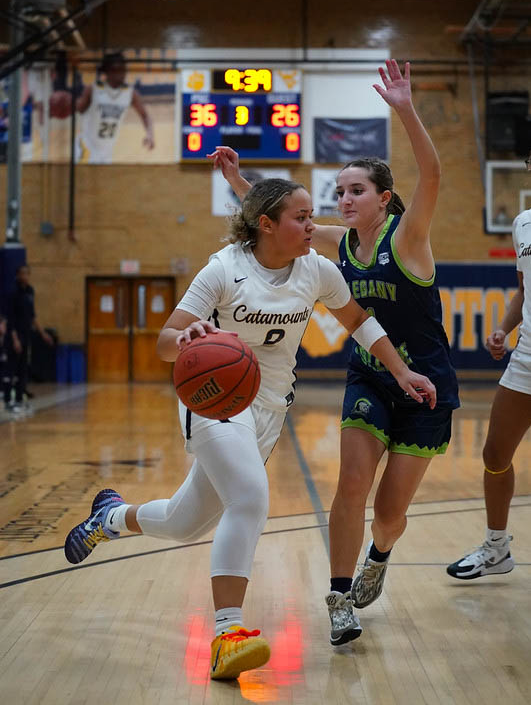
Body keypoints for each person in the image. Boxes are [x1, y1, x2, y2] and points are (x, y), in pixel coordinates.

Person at [64, 170, 436, 680]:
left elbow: (360, 323)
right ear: (266, 224)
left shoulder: (317, 270)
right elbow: (164, 344)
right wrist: (188, 337)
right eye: (301, 218)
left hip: (268, 408)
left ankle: (109, 518)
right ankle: (226, 635)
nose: (312, 225)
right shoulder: (222, 270)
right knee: (251, 498)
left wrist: (401, 370)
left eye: (311, 216)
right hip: (215, 399)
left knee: (184, 520)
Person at [219, 59, 459, 647]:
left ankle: (380, 554)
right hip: (372, 377)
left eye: (356, 191)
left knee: (390, 512)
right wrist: (236, 180)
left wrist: (404, 107)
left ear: (384, 199)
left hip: (424, 385)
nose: (344, 199)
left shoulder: (410, 236)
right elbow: (275, 223)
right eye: (340, 191)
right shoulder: (336, 241)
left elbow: (432, 173)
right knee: (351, 484)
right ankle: (339, 595)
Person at [447, 149, 531, 581]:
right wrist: (503, 328)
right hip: (527, 359)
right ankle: (497, 549)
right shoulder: (524, 224)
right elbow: (524, 290)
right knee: (495, 453)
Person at [76, 52, 154, 164]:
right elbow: (79, 109)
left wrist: (150, 134)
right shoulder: (93, 89)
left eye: (123, 69)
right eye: (117, 69)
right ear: (107, 71)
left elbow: (145, 116)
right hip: (86, 147)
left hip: (107, 152)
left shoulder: (130, 93)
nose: (122, 73)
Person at [8, 265, 54, 413]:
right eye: (23, 274)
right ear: (18, 275)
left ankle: (20, 399)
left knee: (23, 368)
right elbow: (10, 319)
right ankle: (10, 400)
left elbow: (33, 316)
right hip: (15, 334)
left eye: (27, 274)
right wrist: (14, 339)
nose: (25, 276)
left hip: (27, 334)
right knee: (13, 368)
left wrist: (43, 334)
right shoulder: (13, 292)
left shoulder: (30, 291)